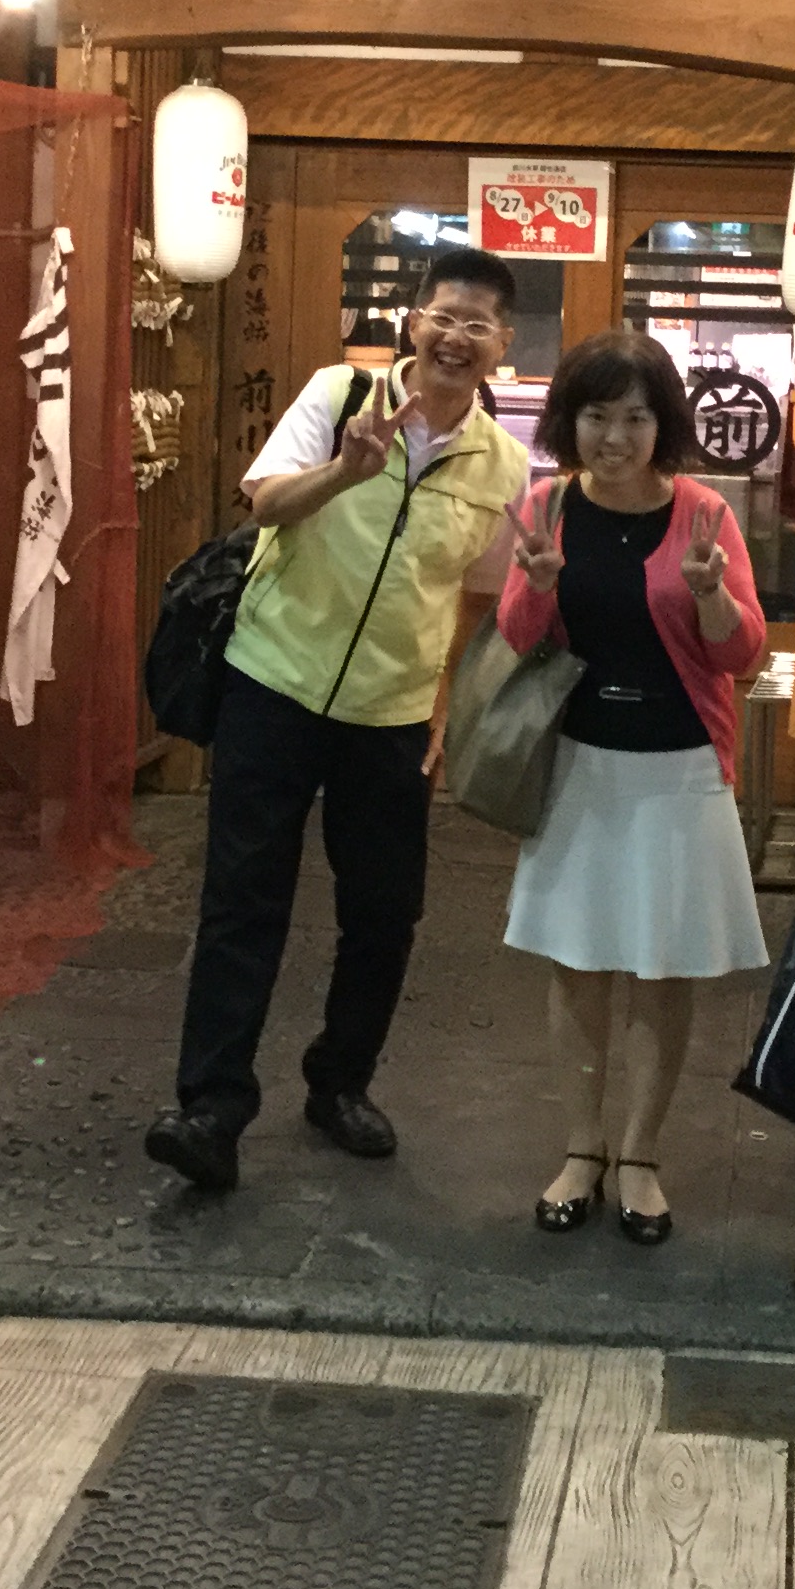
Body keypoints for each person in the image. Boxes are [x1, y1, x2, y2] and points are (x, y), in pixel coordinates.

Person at [146, 247, 534, 1194]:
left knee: (384, 913)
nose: (456, 337)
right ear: (413, 322)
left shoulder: (504, 463)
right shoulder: (337, 396)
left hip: (389, 713)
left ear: (502, 345)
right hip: (272, 682)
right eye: (443, 316)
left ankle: (340, 1083)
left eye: (478, 325)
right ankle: (211, 1108)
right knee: (244, 901)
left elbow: (476, 596)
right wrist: (346, 472)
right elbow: (265, 501)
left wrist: (443, 704)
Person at [496, 332, 770, 1246]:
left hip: (680, 768)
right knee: (578, 964)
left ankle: (641, 1156)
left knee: (661, 967)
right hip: (580, 763)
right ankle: (583, 1149)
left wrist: (710, 595)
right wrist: (538, 585)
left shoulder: (703, 514)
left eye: (636, 418)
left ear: (664, 425)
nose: (615, 436)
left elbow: (742, 653)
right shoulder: (547, 507)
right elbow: (516, 636)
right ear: (569, 421)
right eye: (597, 416)